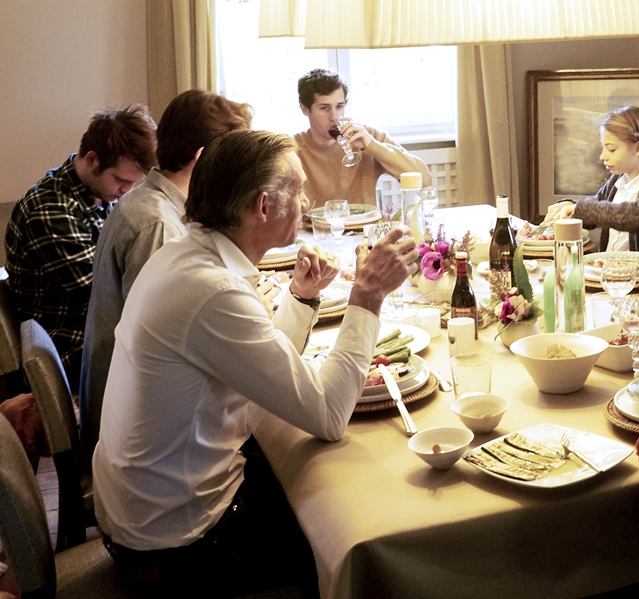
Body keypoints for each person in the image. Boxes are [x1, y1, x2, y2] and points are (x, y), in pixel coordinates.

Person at [91, 130, 420, 594]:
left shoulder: (186, 257)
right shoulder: (214, 290)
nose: (306, 201)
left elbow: (255, 367)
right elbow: (328, 414)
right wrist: (366, 297)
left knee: (312, 478)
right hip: (182, 544)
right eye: (300, 190)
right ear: (263, 207)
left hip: (145, 508)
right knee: (362, 521)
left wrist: (302, 296)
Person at [78, 90, 253, 462]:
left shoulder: (152, 200)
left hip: (129, 403)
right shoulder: (158, 225)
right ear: (205, 158)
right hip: (134, 431)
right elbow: (171, 343)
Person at [4, 105, 157, 390]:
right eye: (122, 181)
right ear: (91, 159)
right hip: (69, 347)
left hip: (92, 329)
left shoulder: (98, 192)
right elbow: (105, 295)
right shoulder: (51, 212)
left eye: (133, 184)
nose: (126, 191)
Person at [541, 106, 639, 254]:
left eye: (611, 149)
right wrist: (572, 206)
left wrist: (580, 209)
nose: (602, 156)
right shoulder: (616, 181)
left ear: (638, 148)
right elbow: (596, 207)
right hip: (610, 271)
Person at [295, 68, 430, 205]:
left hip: (366, 226)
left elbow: (425, 180)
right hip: (314, 227)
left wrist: (372, 146)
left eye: (339, 106)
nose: (334, 117)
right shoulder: (292, 148)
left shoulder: (367, 135)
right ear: (305, 109)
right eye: (324, 108)